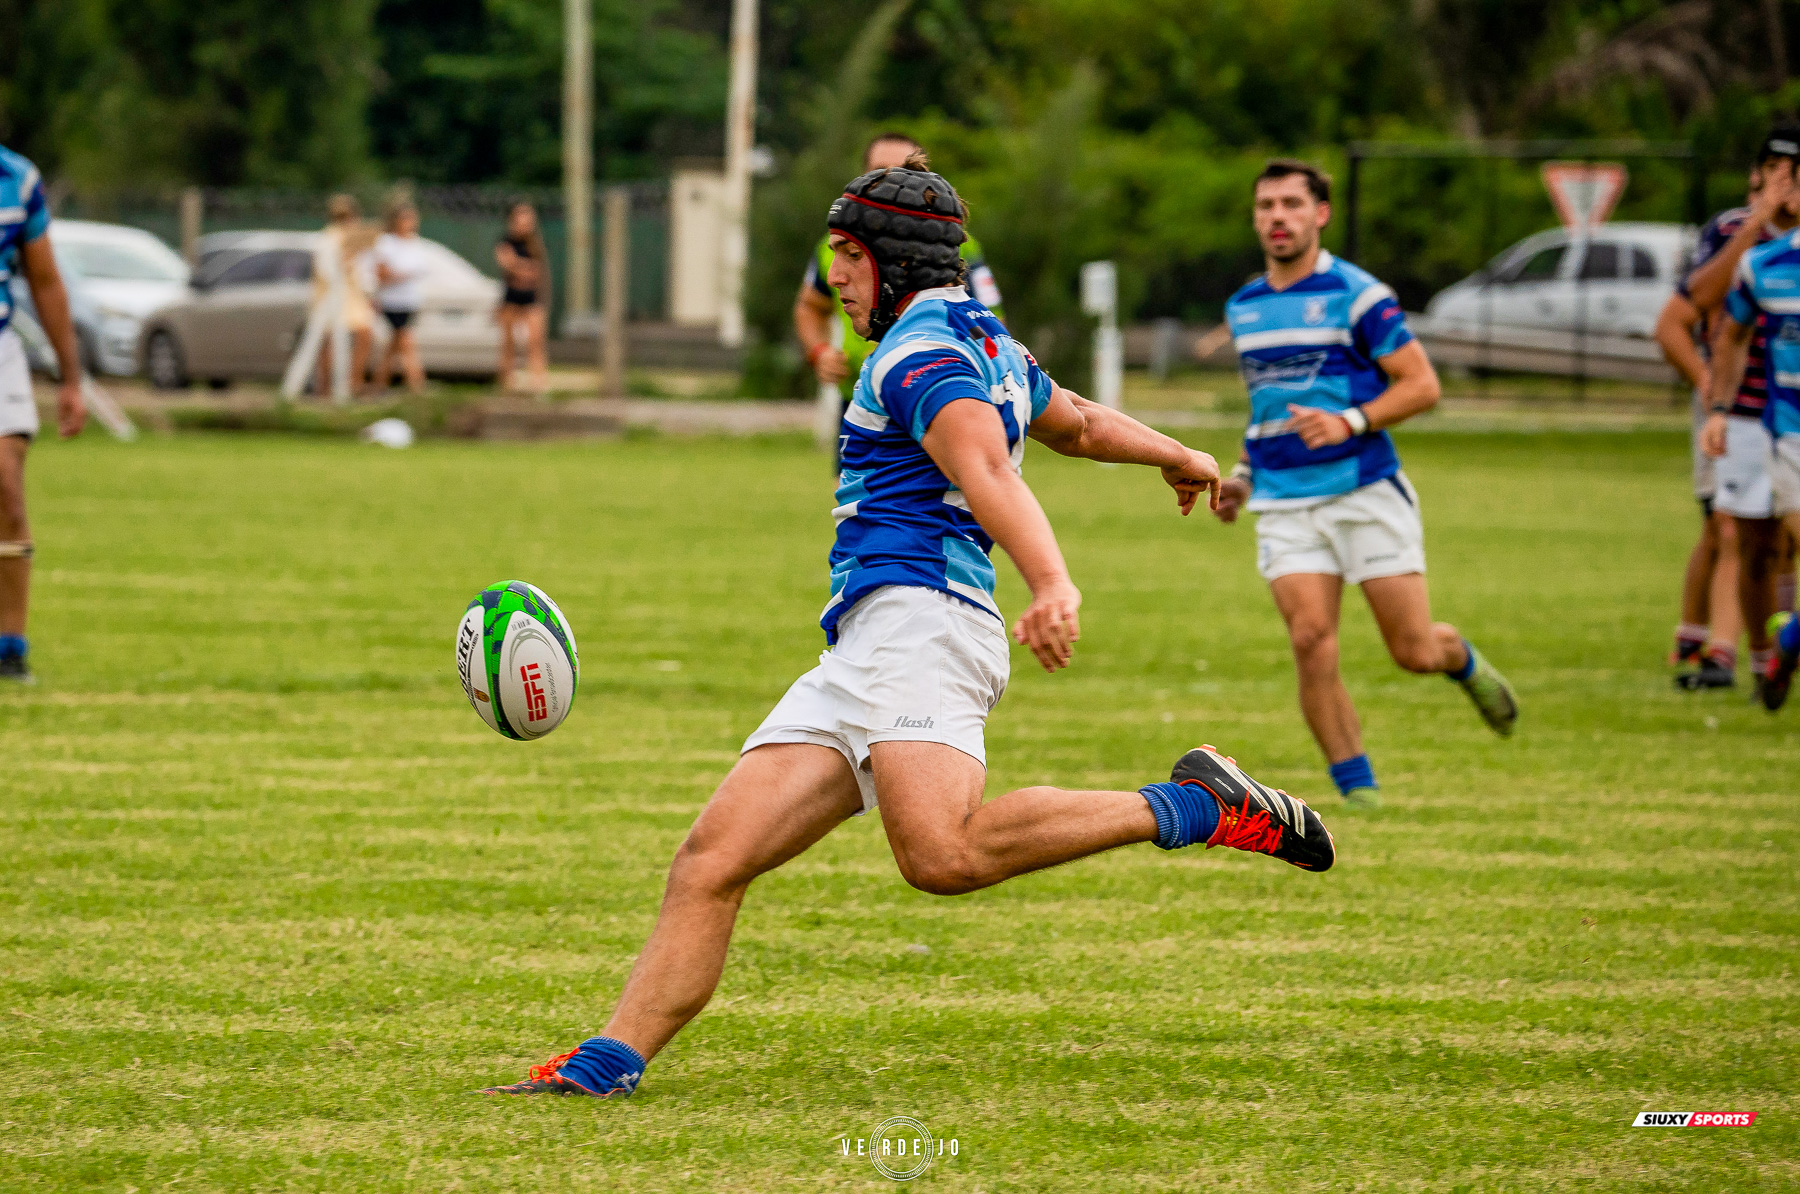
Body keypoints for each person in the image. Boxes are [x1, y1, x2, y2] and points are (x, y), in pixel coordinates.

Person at [479, 156, 1336, 1100]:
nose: (835, 276)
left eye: (846, 256)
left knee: (943, 855)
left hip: (923, 624)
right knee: (712, 860)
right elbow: (1079, 424)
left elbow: (992, 475)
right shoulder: (985, 338)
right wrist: (1179, 454)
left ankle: (1200, 806)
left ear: (890, 258)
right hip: (867, 645)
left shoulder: (920, 354)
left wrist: (1052, 582)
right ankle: (604, 1067)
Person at [1210, 159, 1517, 810]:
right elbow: (1267, 407)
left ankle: (1457, 656)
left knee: (1411, 651)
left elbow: (1422, 385)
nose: (1278, 217)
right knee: (1309, 640)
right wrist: (1240, 477)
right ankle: (1361, 794)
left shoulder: (1359, 294)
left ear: (1320, 214)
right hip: (1286, 502)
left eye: (1292, 204)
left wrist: (1351, 420)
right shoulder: (1245, 307)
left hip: (1364, 492)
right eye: (1266, 206)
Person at [1688, 132, 1800, 695]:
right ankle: (1763, 660)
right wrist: (1718, 407)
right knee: (1746, 542)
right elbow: (1703, 308)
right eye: (1776, 169)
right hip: (1766, 421)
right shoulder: (1746, 246)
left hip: (1778, 422)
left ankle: (1783, 641)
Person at [794, 133, 1004, 420]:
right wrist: (820, 353)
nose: (892, 182)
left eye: (904, 172)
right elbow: (810, 306)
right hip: (859, 395)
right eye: (879, 171)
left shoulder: (956, 243)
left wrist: (979, 373)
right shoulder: (835, 244)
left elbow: (988, 319)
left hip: (931, 395)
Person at [0, 144, 86, 682]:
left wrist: (71, 377)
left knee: (5, 484)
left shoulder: (17, 178)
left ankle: (9, 647)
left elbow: (47, 281)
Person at [311, 194, 377, 399]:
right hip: (331, 296)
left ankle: (354, 382)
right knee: (330, 339)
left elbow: (363, 270)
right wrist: (344, 261)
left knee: (365, 334)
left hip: (353, 295)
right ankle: (325, 387)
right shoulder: (327, 239)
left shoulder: (353, 238)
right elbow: (326, 271)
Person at [372, 201, 429, 395]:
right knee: (406, 340)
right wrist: (403, 275)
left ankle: (379, 384)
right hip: (392, 301)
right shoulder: (387, 243)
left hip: (409, 300)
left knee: (394, 344)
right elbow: (381, 273)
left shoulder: (415, 242)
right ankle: (417, 384)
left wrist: (402, 274)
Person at [494, 202, 549, 395]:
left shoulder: (535, 244)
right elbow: (508, 264)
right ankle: (506, 383)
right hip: (511, 297)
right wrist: (524, 268)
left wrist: (521, 267)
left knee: (535, 341)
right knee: (509, 343)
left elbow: (537, 271)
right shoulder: (506, 241)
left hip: (531, 297)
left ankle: (538, 383)